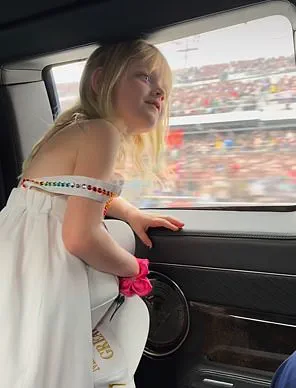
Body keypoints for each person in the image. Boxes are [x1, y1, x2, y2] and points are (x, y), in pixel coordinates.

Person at [0, 40, 185, 387]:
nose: (160, 90)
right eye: (145, 77)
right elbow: (81, 236)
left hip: (18, 265)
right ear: (101, 81)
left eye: (165, 86)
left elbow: (71, 191)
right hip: (46, 270)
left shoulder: (82, 130)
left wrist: (130, 213)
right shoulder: (103, 133)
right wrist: (133, 269)